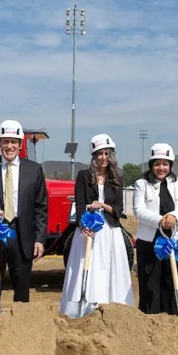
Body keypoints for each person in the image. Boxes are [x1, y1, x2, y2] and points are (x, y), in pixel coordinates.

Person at [0, 119, 48, 323]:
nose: (10, 146)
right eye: (5, 142)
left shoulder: (34, 170)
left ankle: (20, 323)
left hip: (23, 236)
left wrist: (39, 239)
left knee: (22, 282)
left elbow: (41, 207)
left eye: (14, 142)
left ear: (21, 144)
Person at [59, 134, 134, 313]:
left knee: (108, 266)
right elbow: (79, 204)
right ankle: (83, 307)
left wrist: (103, 205)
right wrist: (83, 224)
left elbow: (118, 207)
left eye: (107, 153)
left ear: (112, 155)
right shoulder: (84, 176)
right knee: (88, 266)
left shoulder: (117, 177)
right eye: (100, 154)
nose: (104, 158)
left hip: (109, 231)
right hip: (88, 231)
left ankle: (112, 307)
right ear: (94, 156)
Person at [132, 143, 178, 315]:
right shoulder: (141, 184)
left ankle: (173, 315)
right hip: (149, 241)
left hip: (177, 239)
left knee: (172, 280)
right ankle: (150, 316)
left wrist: (174, 217)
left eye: (165, 164)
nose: (161, 168)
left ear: (170, 165)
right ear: (151, 165)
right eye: (157, 164)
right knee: (150, 281)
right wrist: (161, 221)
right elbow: (139, 211)